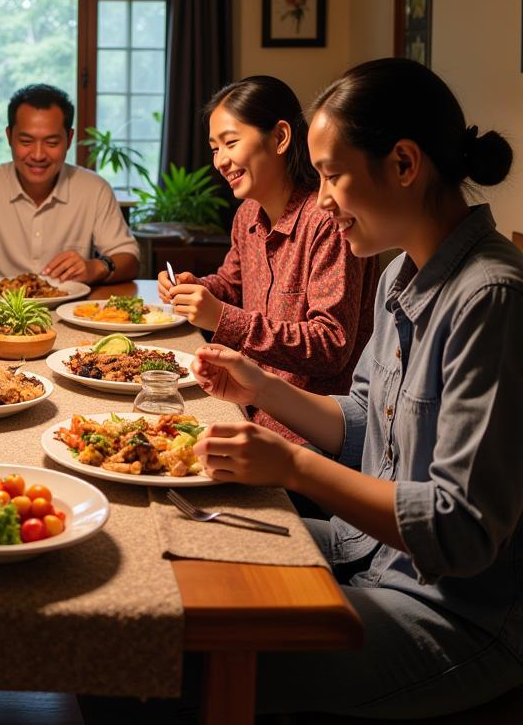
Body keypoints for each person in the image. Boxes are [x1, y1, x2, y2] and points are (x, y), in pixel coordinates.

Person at [186, 59, 523, 717]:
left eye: (335, 175)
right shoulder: (399, 275)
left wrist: (293, 465)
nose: (326, 199)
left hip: (454, 616)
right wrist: (259, 385)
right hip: (365, 556)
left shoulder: (492, 298)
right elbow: (368, 421)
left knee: (193, 660)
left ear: (403, 163)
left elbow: (460, 531)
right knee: (188, 556)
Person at [157, 75, 378, 440]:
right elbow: (231, 284)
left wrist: (223, 318)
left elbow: (331, 346)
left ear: (280, 137)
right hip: (246, 404)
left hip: (307, 430)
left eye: (230, 142)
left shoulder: (328, 221)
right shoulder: (248, 214)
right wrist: (193, 287)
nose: (220, 161)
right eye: (214, 148)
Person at [0, 83, 140, 284]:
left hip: (72, 310)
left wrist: (96, 268)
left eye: (52, 142)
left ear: (69, 138)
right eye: (26, 141)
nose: (38, 155)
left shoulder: (94, 189)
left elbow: (130, 259)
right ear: (9, 137)